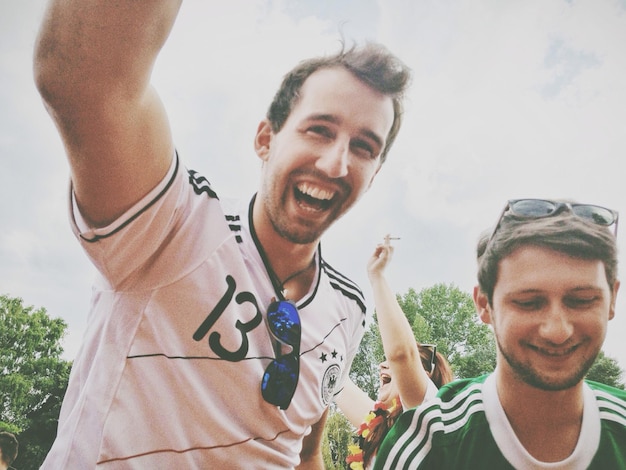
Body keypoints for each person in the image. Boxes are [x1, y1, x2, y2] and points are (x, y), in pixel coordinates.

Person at [33, 1, 411, 468]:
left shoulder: (347, 310)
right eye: (318, 130)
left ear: (373, 175)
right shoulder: (172, 224)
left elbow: (304, 453)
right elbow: (83, 77)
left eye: (364, 147)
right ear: (265, 139)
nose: (336, 163)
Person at [374, 199, 626, 469]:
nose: (557, 331)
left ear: (612, 299)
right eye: (528, 303)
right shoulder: (430, 445)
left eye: (583, 300)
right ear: (484, 304)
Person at [336, 235, 453, 469]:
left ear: (424, 374)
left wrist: (376, 276)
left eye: (389, 362)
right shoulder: (377, 425)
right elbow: (335, 381)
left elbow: (401, 354)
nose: (382, 365)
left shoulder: (428, 409)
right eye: (384, 361)